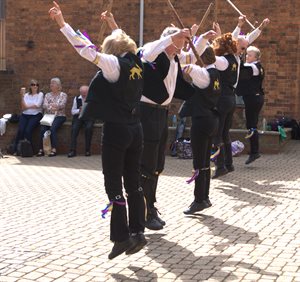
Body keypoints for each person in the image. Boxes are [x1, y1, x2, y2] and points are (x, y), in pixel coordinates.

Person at [49, 1, 146, 259]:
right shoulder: (137, 62)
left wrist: (62, 24)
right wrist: (114, 24)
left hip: (117, 131)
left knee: (113, 182)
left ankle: (122, 237)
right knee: (134, 183)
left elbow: (86, 51)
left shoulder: (114, 64)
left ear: (112, 49)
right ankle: (138, 231)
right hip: (136, 130)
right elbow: (126, 41)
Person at [138, 26, 194, 230]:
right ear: (171, 40)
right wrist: (172, 36)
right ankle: (143, 211)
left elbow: (192, 56)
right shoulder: (154, 55)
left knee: (157, 164)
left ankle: (150, 207)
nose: (185, 44)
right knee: (147, 163)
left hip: (161, 113)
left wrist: (202, 38)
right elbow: (145, 52)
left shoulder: (174, 59)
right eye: (182, 40)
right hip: (147, 112)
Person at [180, 46, 221, 214]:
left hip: (202, 120)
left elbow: (184, 66)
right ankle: (204, 197)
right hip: (211, 119)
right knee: (204, 162)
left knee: (199, 162)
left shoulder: (203, 74)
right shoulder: (216, 73)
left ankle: (199, 199)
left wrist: (184, 54)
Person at [236, 46, 265, 164]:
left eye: (249, 55)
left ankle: (255, 152)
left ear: (256, 57)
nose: (246, 56)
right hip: (255, 98)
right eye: (246, 54)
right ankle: (254, 151)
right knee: (251, 124)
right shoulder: (256, 66)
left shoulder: (253, 67)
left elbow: (242, 67)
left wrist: (237, 56)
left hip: (254, 98)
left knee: (251, 125)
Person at [37, 77, 67, 157]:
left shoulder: (63, 95)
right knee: (43, 129)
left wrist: (51, 106)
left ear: (58, 85)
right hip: (48, 117)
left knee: (52, 128)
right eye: (51, 83)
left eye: (53, 83)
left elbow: (62, 105)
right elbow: (44, 105)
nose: (51, 84)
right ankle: (41, 149)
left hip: (59, 116)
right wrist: (53, 107)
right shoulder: (47, 95)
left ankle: (54, 149)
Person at [13, 79, 44, 154]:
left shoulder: (40, 94)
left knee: (28, 130)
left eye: (37, 85)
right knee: (21, 130)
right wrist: (22, 97)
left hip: (36, 115)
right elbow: (23, 108)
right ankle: (17, 149)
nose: (35, 86)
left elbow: (37, 105)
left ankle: (30, 150)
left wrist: (27, 106)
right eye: (33, 85)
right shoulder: (26, 95)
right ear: (30, 86)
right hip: (25, 114)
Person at [68, 85, 94, 157]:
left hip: (89, 117)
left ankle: (87, 150)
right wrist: (79, 110)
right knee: (74, 129)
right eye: (82, 93)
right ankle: (72, 150)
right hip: (78, 117)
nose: (84, 94)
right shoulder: (76, 98)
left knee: (89, 128)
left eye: (85, 93)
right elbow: (72, 111)